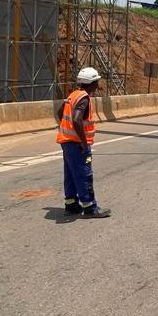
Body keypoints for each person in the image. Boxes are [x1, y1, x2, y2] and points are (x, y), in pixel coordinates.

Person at [57, 67, 111, 218]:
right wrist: (83, 142)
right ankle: (90, 208)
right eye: (96, 81)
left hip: (66, 141)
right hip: (76, 143)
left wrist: (63, 127)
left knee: (70, 173)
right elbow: (76, 118)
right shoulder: (84, 98)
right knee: (84, 174)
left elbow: (60, 112)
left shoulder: (73, 95)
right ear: (92, 83)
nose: (98, 84)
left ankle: (71, 203)